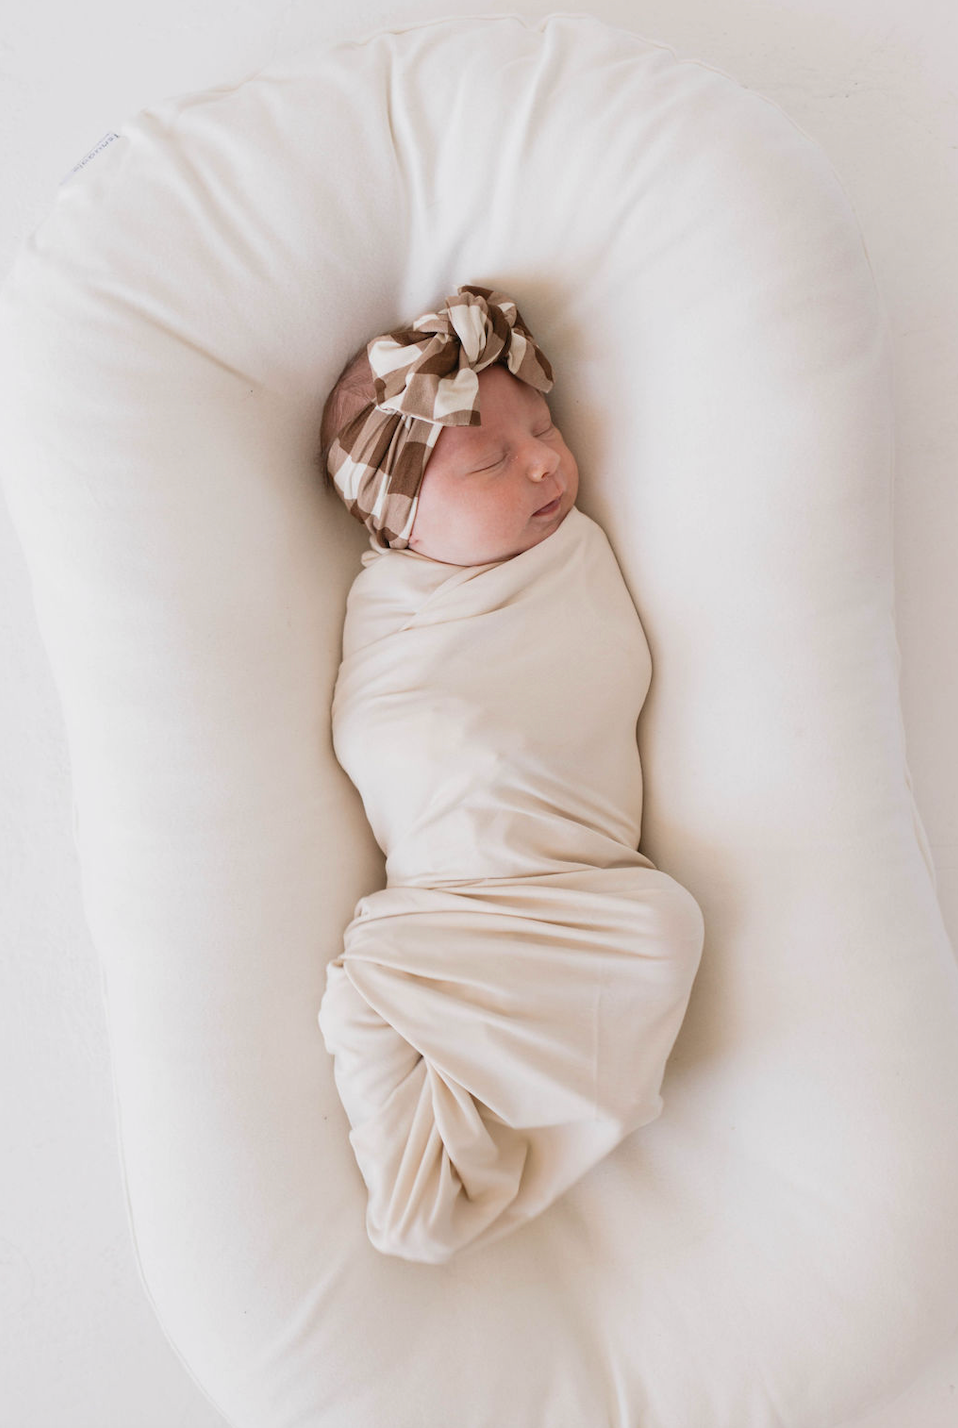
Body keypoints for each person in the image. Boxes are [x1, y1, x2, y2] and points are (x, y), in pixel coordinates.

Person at [316, 284, 705, 1264]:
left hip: (573, 880)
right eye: (489, 459)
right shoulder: (399, 606)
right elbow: (385, 720)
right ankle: (423, 1100)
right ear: (400, 525)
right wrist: (449, 736)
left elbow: (593, 674)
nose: (541, 459)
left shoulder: (567, 558)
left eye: (542, 427)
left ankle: (467, 1092)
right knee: (654, 932)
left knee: (660, 929)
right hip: (468, 884)